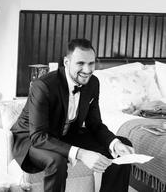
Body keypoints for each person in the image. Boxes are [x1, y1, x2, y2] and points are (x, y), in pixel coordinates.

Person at [11, 38, 134, 192]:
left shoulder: (93, 83)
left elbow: (95, 124)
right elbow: (38, 136)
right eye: (80, 63)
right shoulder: (43, 86)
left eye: (91, 63)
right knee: (57, 161)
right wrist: (81, 154)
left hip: (67, 134)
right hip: (32, 139)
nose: (87, 69)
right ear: (66, 62)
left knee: (123, 147)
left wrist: (114, 143)